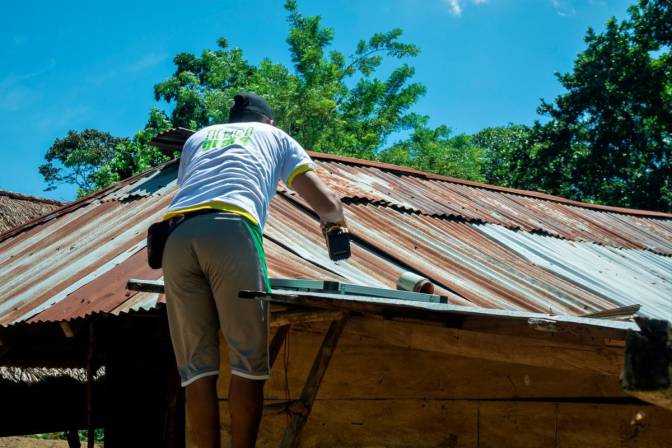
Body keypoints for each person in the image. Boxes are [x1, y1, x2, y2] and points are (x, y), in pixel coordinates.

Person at [161, 92, 346, 448]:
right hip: (232, 230)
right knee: (248, 363)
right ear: (268, 121)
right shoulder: (276, 138)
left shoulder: (198, 138)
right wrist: (335, 221)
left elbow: (193, 189)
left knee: (196, 371)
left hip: (177, 237)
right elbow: (326, 201)